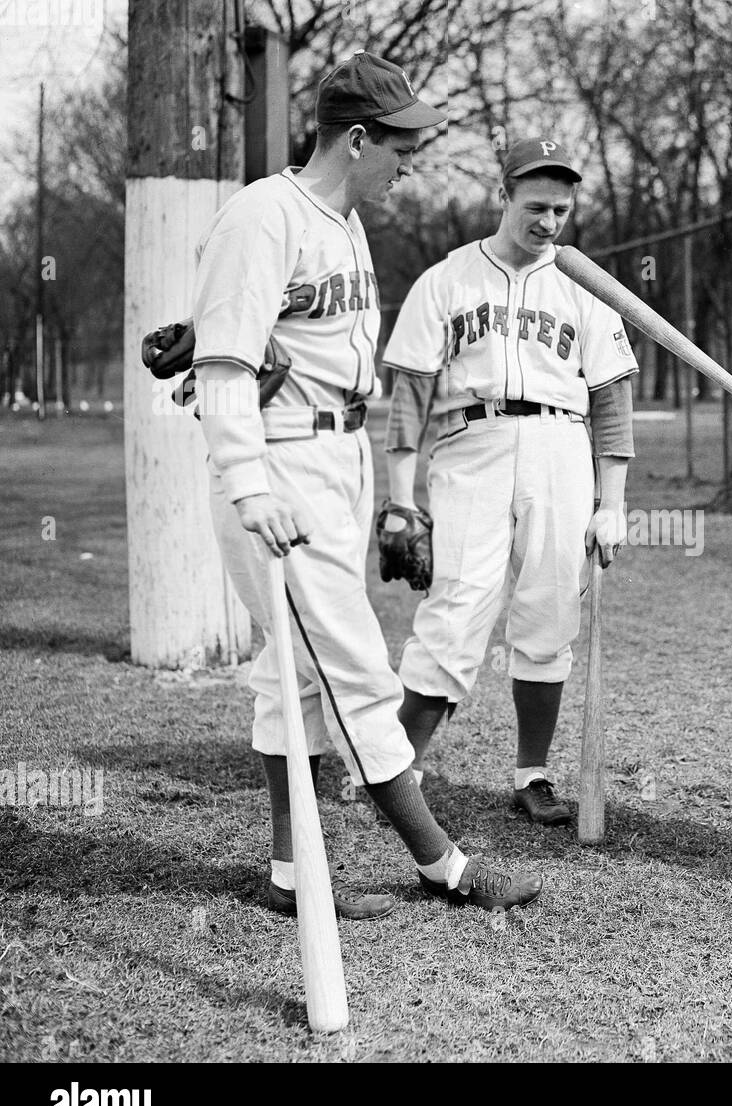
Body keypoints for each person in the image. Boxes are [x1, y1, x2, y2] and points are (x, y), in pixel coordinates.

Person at [191, 52, 542, 916]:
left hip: (335, 456)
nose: (411, 162)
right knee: (353, 669)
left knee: (294, 674)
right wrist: (249, 485)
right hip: (279, 467)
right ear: (355, 138)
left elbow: (284, 340)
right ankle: (442, 864)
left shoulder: (343, 222)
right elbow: (225, 367)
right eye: (400, 145)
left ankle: (288, 872)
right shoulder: (262, 217)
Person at [379, 138, 637, 825]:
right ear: (503, 197)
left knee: (550, 613)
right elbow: (408, 393)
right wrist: (400, 497)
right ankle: (398, 772)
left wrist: (612, 505)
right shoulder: (448, 278)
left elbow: (611, 401)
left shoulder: (586, 285)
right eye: (534, 205)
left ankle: (533, 776)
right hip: (473, 439)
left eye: (560, 208)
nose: (548, 221)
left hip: (560, 444)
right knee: (455, 608)